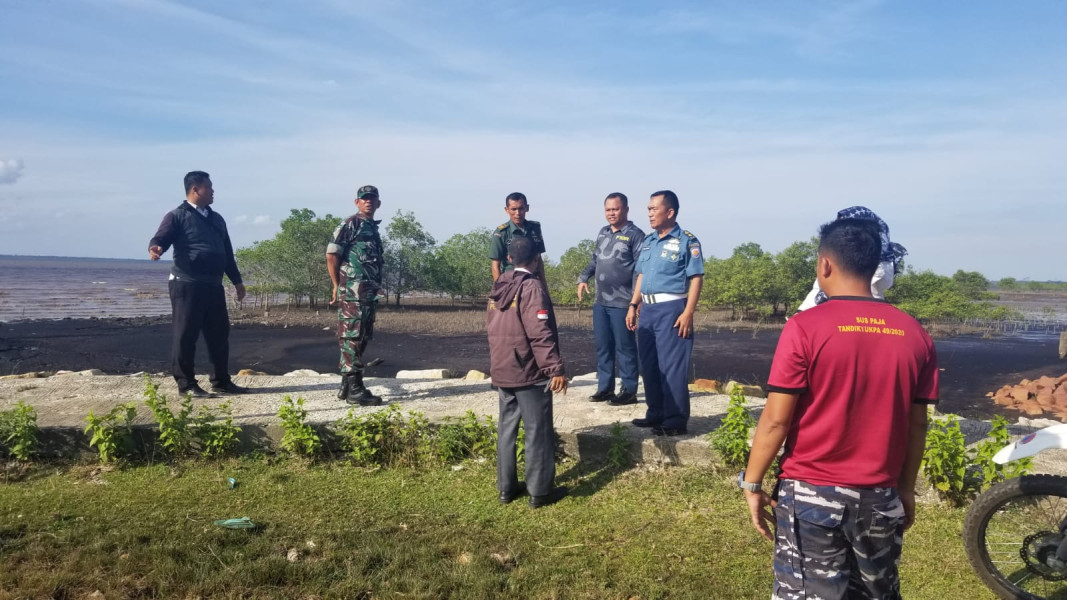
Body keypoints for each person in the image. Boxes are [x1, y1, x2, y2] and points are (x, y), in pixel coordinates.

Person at [740, 218, 938, 599]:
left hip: (812, 495)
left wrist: (752, 482)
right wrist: (906, 488)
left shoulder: (804, 327)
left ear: (824, 265)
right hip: (880, 496)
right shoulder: (915, 333)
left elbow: (777, 419)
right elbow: (917, 426)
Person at [148, 171, 249, 397]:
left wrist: (237, 281)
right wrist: (156, 247)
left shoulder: (216, 219)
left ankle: (221, 381)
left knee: (219, 334)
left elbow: (227, 254)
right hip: (186, 283)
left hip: (213, 285)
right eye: (209, 187)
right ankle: (186, 385)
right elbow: (161, 238)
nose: (213, 191)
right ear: (195, 189)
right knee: (186, 335)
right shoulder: (176, 215)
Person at [487, 236, 569, 508]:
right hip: (528, 372)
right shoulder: (531, 286)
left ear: (509, 259)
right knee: (538, 430)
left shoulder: (500, 284)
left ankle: (506, 488)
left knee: (507, 429)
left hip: (503, 368)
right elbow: (539, 333)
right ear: (536, 259)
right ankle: (540, 491)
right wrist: (554, 368)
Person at [625, 190, 703, 436]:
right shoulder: (648, 241)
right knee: (649, 365)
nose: (649, 213)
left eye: (654, 208)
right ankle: (655, 413)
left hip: (672, 309)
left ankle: (675, 420)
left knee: (672, 367)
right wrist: (633, 304)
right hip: (647, 309)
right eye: (648, 209)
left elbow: (696, 277)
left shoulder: (686, 241)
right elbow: (642, 275)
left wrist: (688, 312)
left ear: (669, 212)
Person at [577, 193, 645, 405]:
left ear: (625, 209)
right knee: (603, 346)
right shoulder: (603, 232)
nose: (611, 213)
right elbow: (595, 260)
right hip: (601, 301)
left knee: (625, 347)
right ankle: (605, 388)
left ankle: (628, 390)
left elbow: (641, 270)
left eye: (615, 209)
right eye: (608, 210)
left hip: (622, 303)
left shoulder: (635, 235)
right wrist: (583, 277)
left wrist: (635, 302)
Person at [326, 185, 385, 406]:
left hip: (368, 293)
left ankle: (347, 382)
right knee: (351, 336)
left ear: (378, 203)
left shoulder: (371, 227)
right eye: (364, 199)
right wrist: (336, 284)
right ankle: (354, 389)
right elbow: (332, 254)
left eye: (372, 198)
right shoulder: (351, 223)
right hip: (352, 291)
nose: (368, 201)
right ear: (357, 202)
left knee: (362, 336)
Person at [796, 205, 907, 312]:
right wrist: (801, 312)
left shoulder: (879, 262)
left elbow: (873, 288)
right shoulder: (834, 256)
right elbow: (817, 290)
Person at [490, 192, 548, 289]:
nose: (518, 213)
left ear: (527, 208)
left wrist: (544, 288)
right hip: (510, 282)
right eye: (513, 209)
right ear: (506, 210)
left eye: (521, 208)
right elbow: (495, 265)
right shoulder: (501, 232)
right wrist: (501, 291)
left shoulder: (535, 228)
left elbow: (539, 260)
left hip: (531, 282)